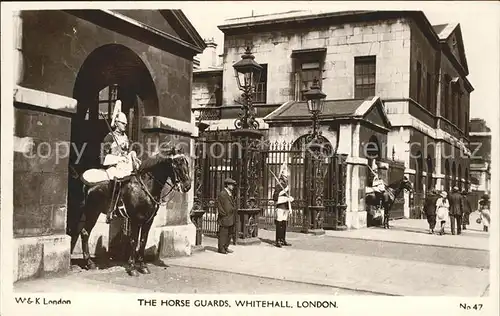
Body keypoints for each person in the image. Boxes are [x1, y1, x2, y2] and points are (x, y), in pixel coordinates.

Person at [101, 100, 141, 223]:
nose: (125, 125)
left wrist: (132, 154)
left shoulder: (125, 138)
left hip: (124, 166)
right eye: (123, 123)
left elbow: (129, 151)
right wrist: (119, 158)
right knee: (117, 180)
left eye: (125, 123)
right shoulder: (109, 137)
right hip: (113, 166)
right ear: (117, 123)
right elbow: (103, 158)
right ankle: (111, 209)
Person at [272, 168, 294, 248]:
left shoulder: (287, 186)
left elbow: (287, 198)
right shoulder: (278, 186)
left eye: (286, 176)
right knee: (279, 223)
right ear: (282, 177)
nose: (286, 178)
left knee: (284, 224)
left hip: (286, 207)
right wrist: (284, 191)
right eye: (285, 176)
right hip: (280, 207)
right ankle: (277, 240)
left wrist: (290, 199)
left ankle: (283, 239)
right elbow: (275, 197)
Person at [217, 178, 237, 254]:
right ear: (227, 185)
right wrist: (226, 213)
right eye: (231, 185)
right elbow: (225, 206)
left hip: (230, 216)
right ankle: (221, 248)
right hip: (225, 217)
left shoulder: (229, 193)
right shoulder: (223, 193)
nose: (233, 187)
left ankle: (226, 247)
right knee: (223, 233)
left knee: (229, 233)